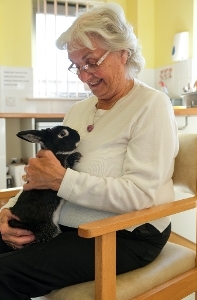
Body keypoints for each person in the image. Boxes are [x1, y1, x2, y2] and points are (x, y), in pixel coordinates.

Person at [0, 3, 179, 299]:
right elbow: (44, 173)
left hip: (127, 234)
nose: (84, 77)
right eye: (76, 65)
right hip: (64, 222)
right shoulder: (79, 110)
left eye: (91, 62)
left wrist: (61, 181)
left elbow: (139, 195)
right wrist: (8, 211)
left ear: (124, 52)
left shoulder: (152, 105)